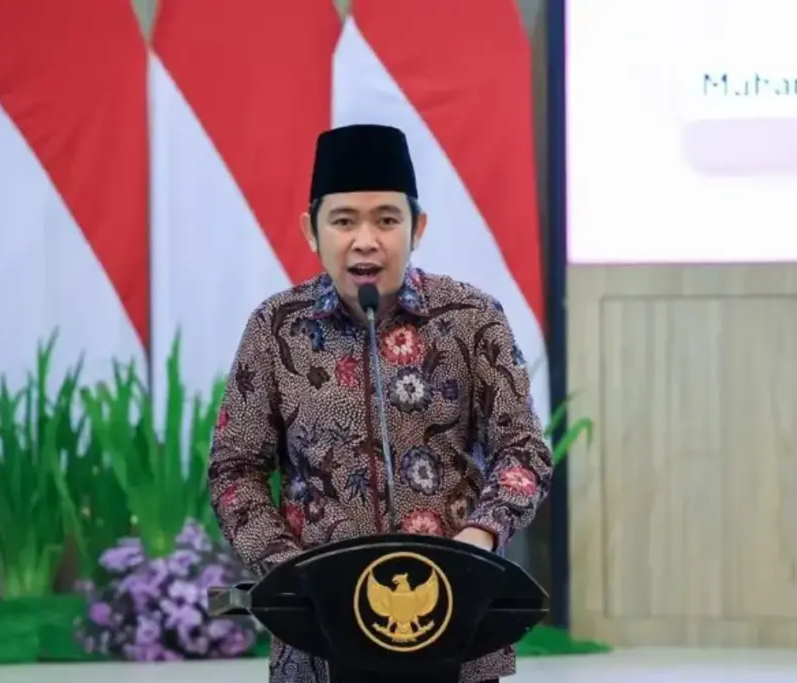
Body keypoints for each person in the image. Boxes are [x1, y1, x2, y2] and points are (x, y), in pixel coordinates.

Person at [208, 123, 553, 683]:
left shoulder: (472, 319)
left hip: (455, 627)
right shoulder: (276, 328)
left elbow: (523, 450)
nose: (365, 240)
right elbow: (234, 469)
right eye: (344, 221)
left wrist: (479, 539)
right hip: (317, 640)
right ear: (311, 230)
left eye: (386, 220)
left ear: (418, 227)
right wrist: (291, 571)